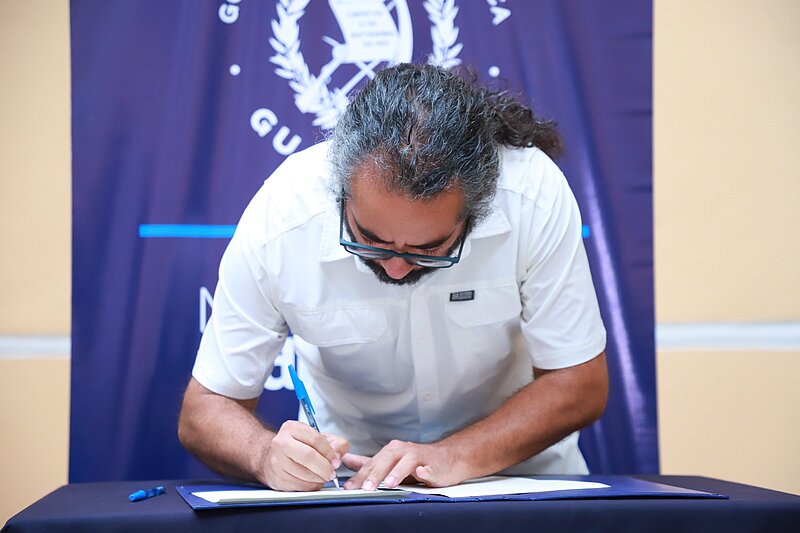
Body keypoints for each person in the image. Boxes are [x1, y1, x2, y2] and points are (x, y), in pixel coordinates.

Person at [178, 63, 608, 492]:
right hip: (351, 488)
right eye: (369, 239)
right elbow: (206, 407)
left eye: (429, 248)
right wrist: (264, 456)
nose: (396, 267)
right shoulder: (283, 215)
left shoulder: (530, 195)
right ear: (340, 190)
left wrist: (454, 455)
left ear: (477, 208)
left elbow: (579, 382)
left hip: (519, 482)